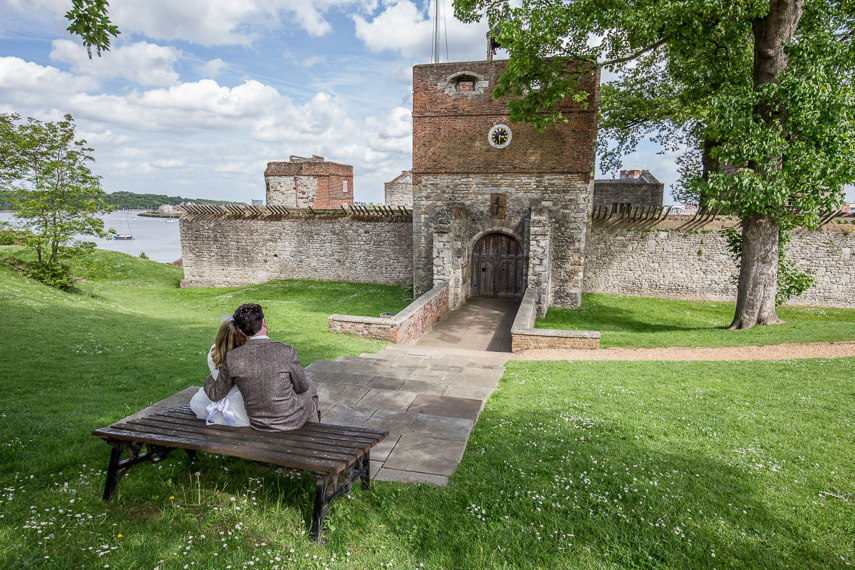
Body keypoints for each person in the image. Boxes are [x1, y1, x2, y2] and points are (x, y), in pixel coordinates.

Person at [204, 303, 319, 431]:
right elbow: (302, 387)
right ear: (263, 322)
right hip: (289, 421)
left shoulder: (232, 357)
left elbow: (215, 394)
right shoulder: (286, 351)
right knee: (310, 389)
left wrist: (209, 379)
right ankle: (314, 432)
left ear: (241, 331)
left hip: (259, 424)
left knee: (308, 391)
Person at [189, 317, 251, 426]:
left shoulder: (214, 353)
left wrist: (209, 380)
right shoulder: (248, 357)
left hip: (219, 396)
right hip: (243, 406)